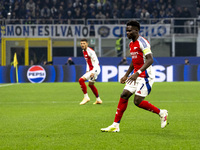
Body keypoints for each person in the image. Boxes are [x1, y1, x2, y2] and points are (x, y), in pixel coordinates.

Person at [101, 20, 168, 132]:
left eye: (129, 30)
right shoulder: (131, 44)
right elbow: (134, 61)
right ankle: (115, 125)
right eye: (126, 30)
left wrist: (137, 73)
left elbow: (150, 60)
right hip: (135, 74)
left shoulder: (143, 42)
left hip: (145, 75)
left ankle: (161, 113)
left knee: (137, 101)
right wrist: (126, 75)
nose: (127, 33)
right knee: (124, 95)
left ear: (136, 31)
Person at [79, 39, 103, 105]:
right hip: (92, 70)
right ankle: (98, 100)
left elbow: (96, 62)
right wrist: (87, 70)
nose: (82, 45)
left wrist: (93, 72)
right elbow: (88, 61)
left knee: (81, 80)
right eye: (81, 43)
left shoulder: (91, 51)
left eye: (84, 43)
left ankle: (86, 97)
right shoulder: (83, 51)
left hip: (95, 70)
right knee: (91, 85)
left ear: (87, 44)